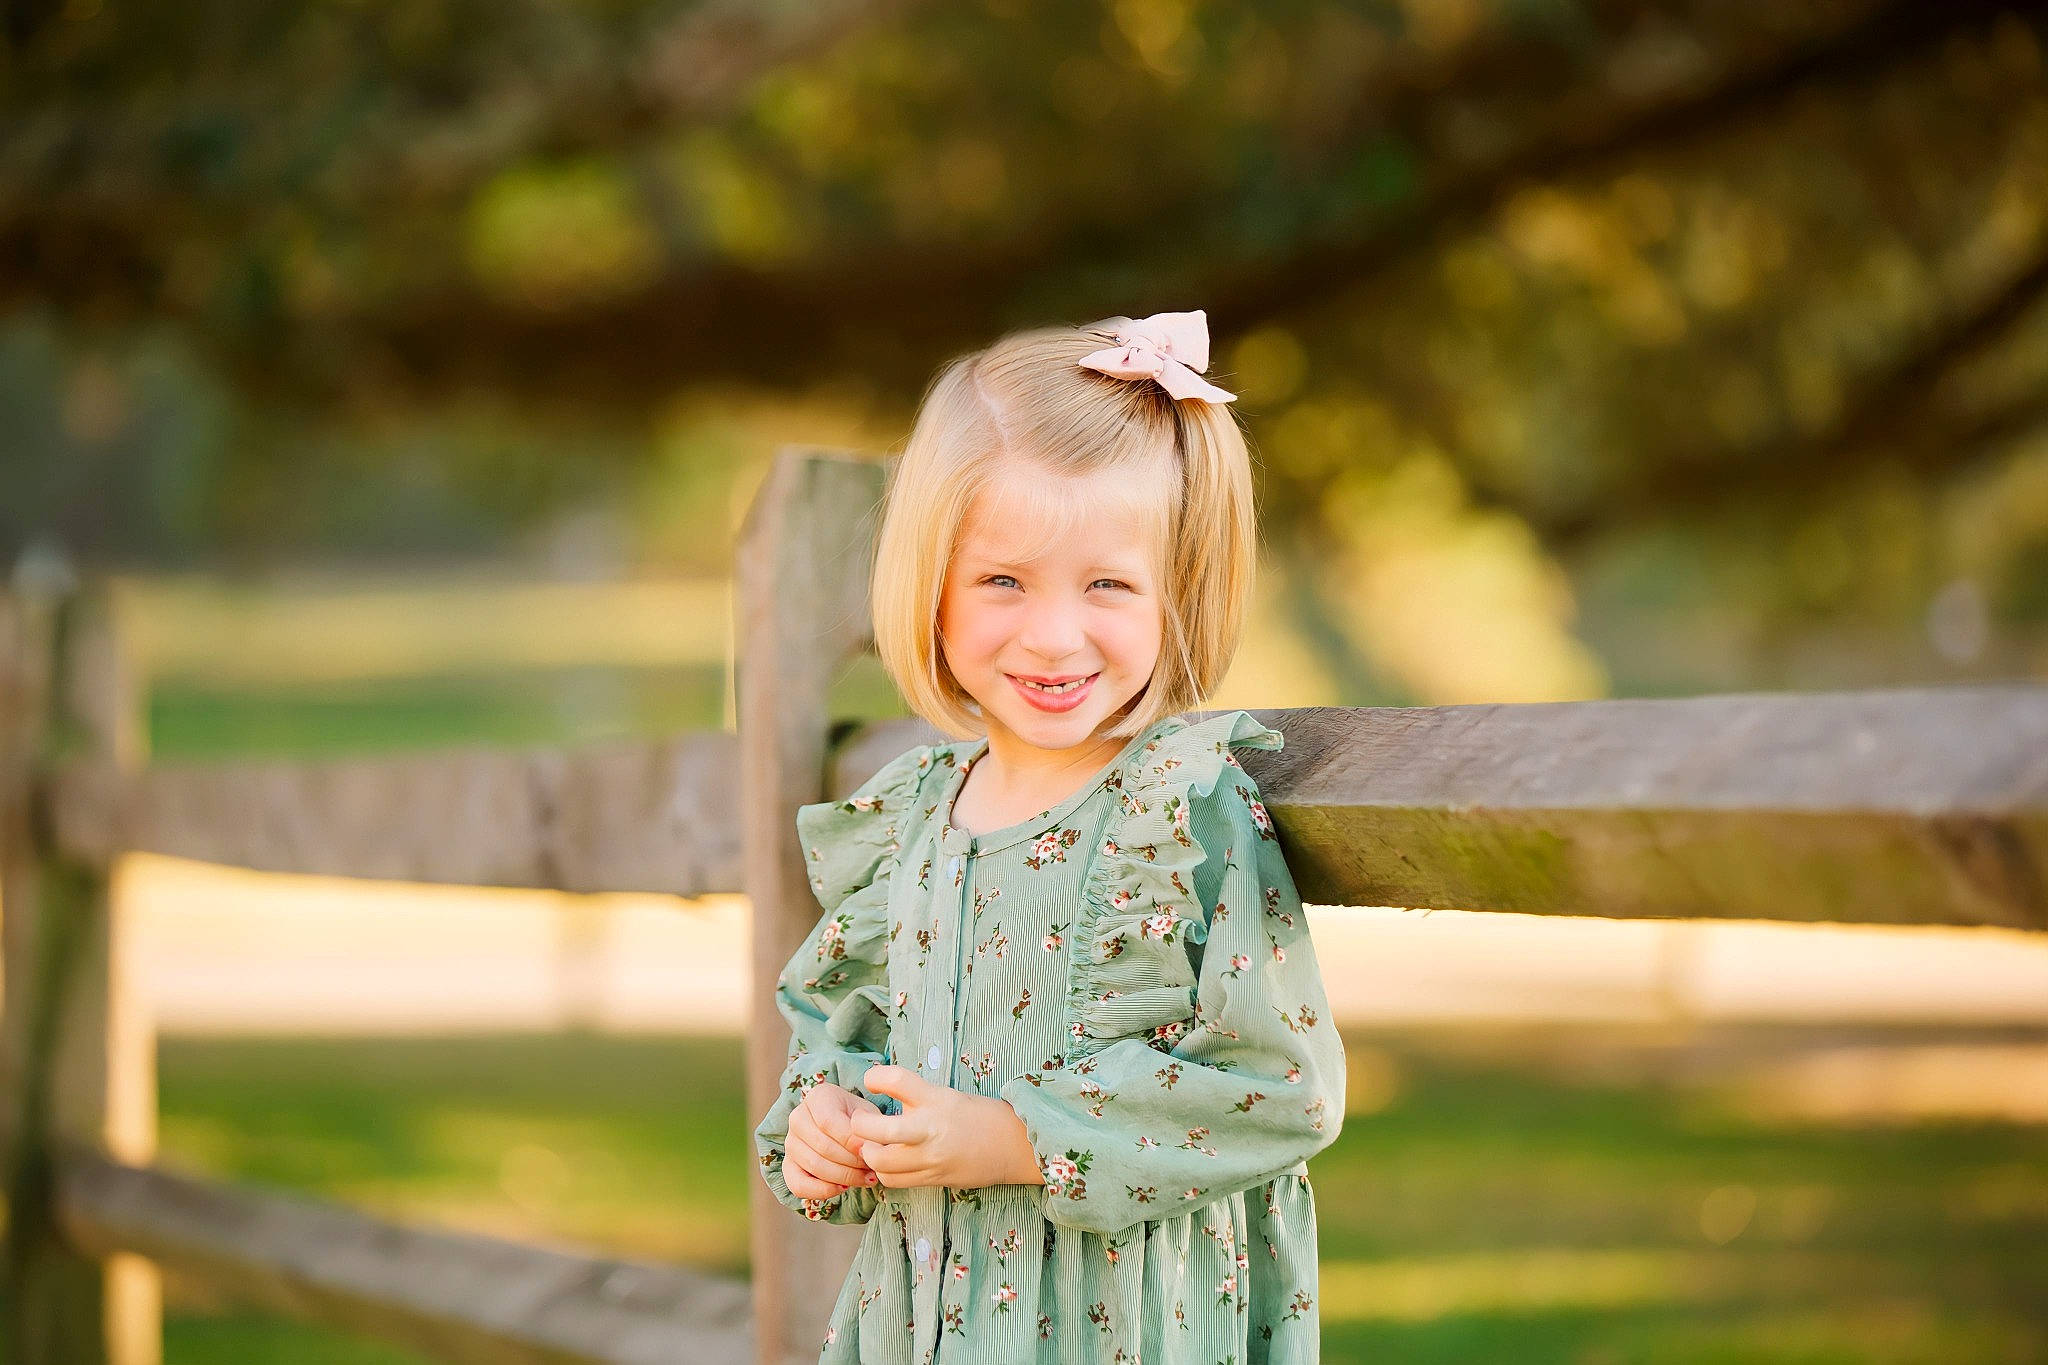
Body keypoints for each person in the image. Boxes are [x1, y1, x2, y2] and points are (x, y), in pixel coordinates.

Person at [753, 309, 1347, 1364]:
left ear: (1177, 591)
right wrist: (825, 1126)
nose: (1052, 633)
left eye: (1107, 585)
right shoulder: (913, 818)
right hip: (923, 1321)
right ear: (928, 584)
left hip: (1109, 1323)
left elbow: (1280, 1087)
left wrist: (1020, 1140)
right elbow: (837, 1034)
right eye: (1002, 581)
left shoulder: (1178, 813)